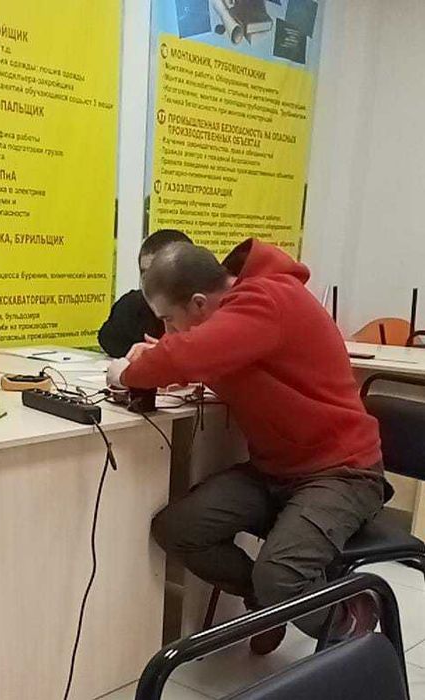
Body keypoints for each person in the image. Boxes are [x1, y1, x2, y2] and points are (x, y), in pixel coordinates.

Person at [107, 238, 385, 653]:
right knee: (179, 529)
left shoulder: (266, 298)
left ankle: (352, 620)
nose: (167, 332)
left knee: (280, 576)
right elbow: (210, 356)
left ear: (199, 303)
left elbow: (192, 353)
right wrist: (162, 359)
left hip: (342, 472)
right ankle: (268, 605)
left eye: (169, 320)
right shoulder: (238, 312)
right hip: (277, 471)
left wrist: (128, 373)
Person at [98, 229, 192, 357]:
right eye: (145, 274)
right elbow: (109, 341)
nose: (151, 283)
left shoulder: (207, 310)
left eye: (159, 275)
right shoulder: (132, 306)